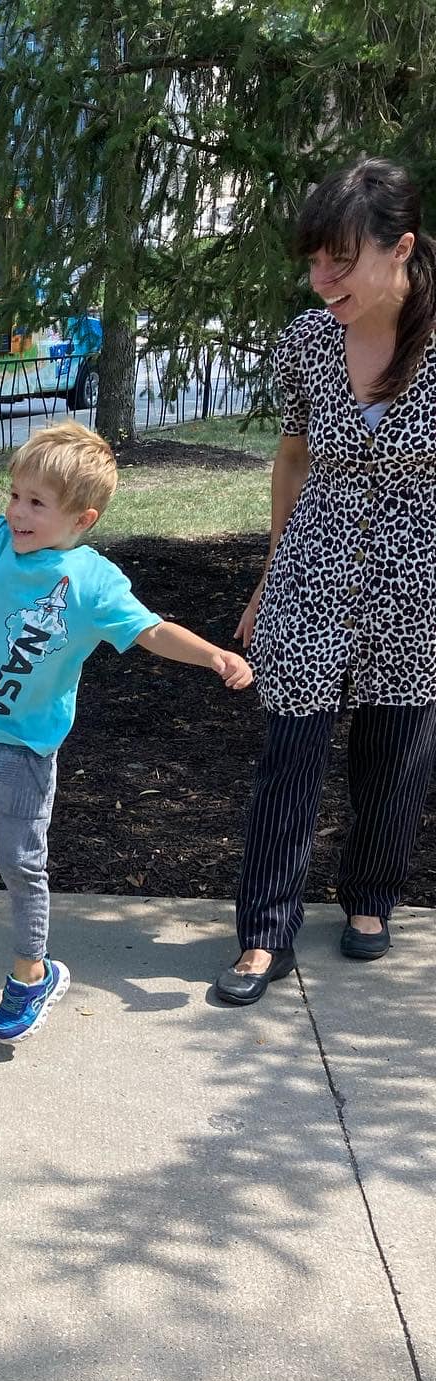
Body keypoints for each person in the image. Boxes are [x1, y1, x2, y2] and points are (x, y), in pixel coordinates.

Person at [0, 358, 254, 1042]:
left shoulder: (92, 581)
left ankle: (32, 973)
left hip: (24, 754)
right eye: (17, 495)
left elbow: (150, 631)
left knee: (21, 867)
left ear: (82, 517)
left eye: (36, 503)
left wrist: (213, 654)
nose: (18, 511)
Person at [217, 158, 436, 1004]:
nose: (321, 280)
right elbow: (295, 454)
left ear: (401, 248)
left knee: (396, 747)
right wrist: (271, 574)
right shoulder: (308, 340)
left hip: (419, 574)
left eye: (339, 261)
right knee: (291, 749)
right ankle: (265, 932)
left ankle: (371, 899)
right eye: (313, 262)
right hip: (315, 559)